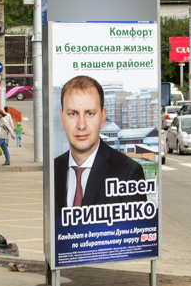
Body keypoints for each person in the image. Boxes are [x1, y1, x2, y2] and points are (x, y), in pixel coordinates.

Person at [53, 75, 146, 216]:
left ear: (102, 118)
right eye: (73, 114)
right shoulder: (53, 169)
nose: (81, 125)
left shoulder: (127, 172)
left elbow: (134, 234)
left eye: (90, 113)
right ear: (62, 118)